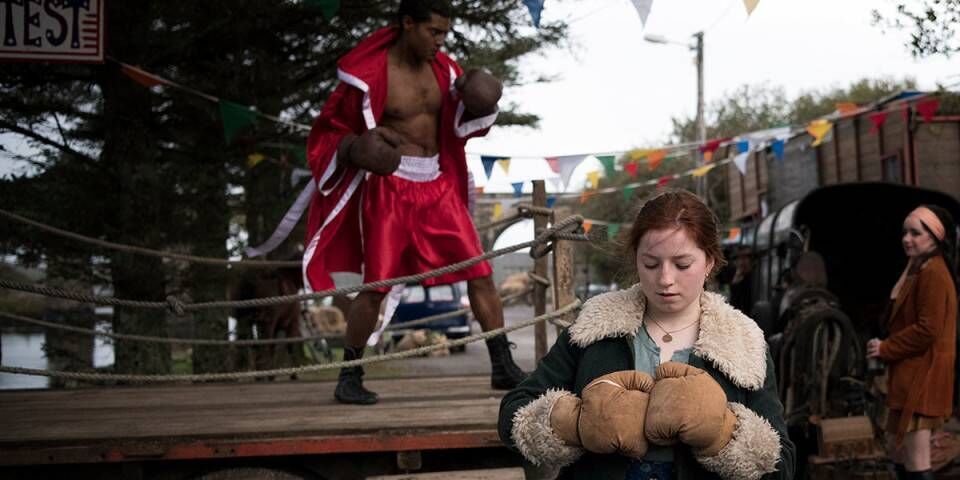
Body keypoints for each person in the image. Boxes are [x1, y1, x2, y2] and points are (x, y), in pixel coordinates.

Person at [303, 0, 525, 405]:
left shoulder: (444, 71)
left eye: (445, 33)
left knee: (479, 272)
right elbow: (329, 131)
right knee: (376, 288)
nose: (441, 42)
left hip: (437, 185)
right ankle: (349, 374)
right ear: (408, 24)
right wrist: (354, 146)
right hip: (390, 189)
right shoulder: (370, 75)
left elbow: (463, 121)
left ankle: (501, 365)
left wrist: (482, 100)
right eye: (434, 32)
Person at [498, 190, 795, 480]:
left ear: (710, 262)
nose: (665, 279)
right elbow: (513, 413)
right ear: (636, 259)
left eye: (682, 264)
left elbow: (783, 464)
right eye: (651, 263)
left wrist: (723, 433)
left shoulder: (743, 341)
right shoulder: (593, 327)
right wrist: (573, 423)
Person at [866, 205, 958, 480]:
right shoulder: (921, 269)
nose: (907, 239)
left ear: (935, 236)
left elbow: (928, 329)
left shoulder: (933, 273)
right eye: (905, 232)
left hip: (922, 376)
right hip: (912, 376)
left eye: (916, 233)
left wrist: (886, 348)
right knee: (903, 458)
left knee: (917, 463)